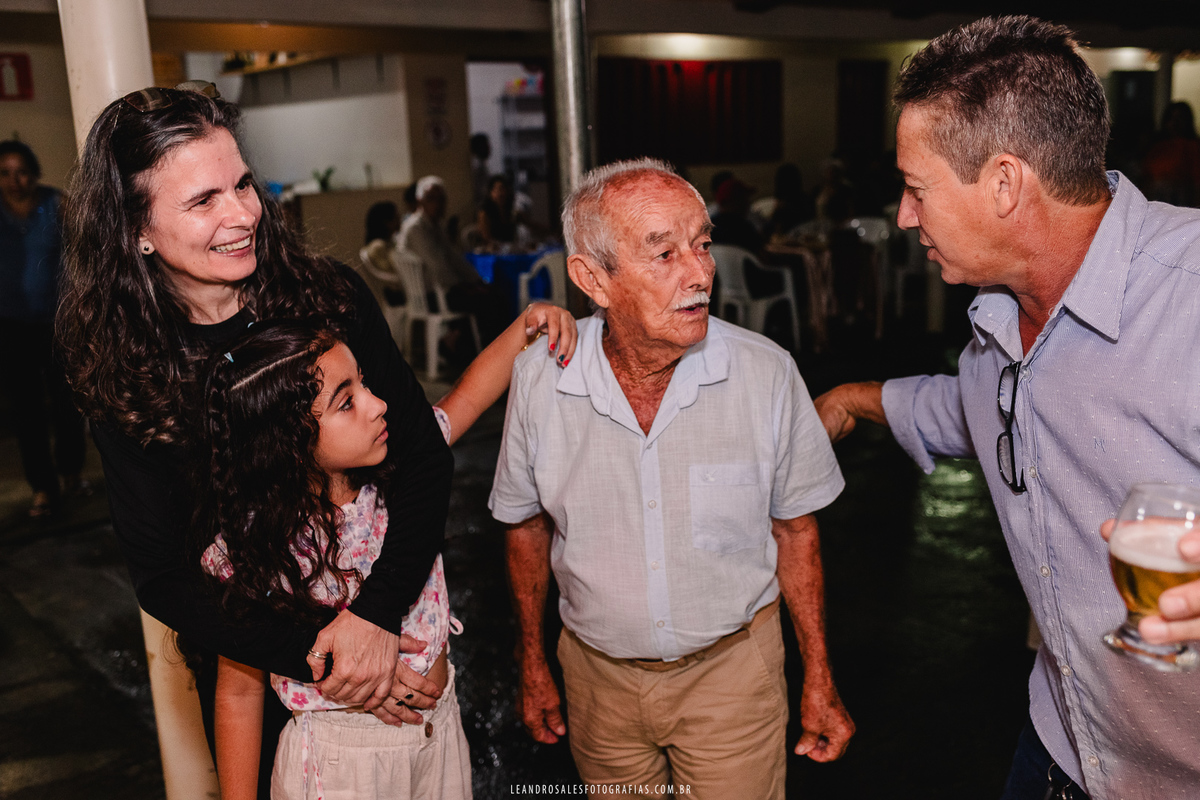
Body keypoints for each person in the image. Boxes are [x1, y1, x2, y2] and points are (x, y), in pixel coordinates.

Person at [813, 16, 1200, 800]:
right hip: (1058, 743)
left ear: (1003, 183)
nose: (905, 216)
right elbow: (973, 408)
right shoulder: (998, 320)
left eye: (916, 189)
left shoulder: (1188, 293)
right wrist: (854, 399)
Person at [56, 82, 452, 794]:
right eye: (203, 200)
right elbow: (164, 575)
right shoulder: (129, 369)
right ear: (137, 228)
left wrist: (375, 615)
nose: (243, 214)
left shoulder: (328, 298)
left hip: (398, 623)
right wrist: (330, 654)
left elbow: (422, 457)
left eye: (243, 184)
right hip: (259, 665)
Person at [489, 158, 854, 797]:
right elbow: (526, 529)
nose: (700, 273)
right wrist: (533, 661)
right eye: (664, 254)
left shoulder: (764, 373)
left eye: (702, 245)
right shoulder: (541, 381)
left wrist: (819, 677)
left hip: (732, 678)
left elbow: (796, 532)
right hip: (597, 684)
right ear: (593, 279)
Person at [203, 306, 575, 800]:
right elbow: (238, 690)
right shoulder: (263, 544)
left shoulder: (401, 476)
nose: (378, 404)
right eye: (346, 402)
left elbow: (467, 398)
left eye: (364, 382)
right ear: (288, 441)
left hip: (440, 733)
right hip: (340, 764)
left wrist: (528, 323)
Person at [0, 139, 87, 517]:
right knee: (27, 411)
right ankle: (43, 488)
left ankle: (71, 472)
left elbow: (88, 245)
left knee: (69, 403)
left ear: (33, 172)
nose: (14, 180)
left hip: (58, 322)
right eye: (5, 173)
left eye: (21, 171)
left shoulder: (56, 204)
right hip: (11, 326)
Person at [398, 175, 505, 344]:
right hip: (431, 295)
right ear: (420, 201)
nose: (437, 204)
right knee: (490, 301)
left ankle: (462, 342)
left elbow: (455, 258)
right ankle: (485, 348)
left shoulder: (437, 225)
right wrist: (466, 285)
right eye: (431, 199)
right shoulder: (415, 228)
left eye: (441, 199)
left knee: (494, 293)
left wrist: (477, 280)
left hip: (445, 289)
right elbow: (438, 267)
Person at [1141, 101, 1200, 207]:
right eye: (1171, 118)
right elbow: (1146, 178)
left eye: (1180, 118)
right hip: (1153, 203)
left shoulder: (1192, 147)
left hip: (1180, 204)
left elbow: (1196, 182)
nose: (1175, 123)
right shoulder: (1157, 147)